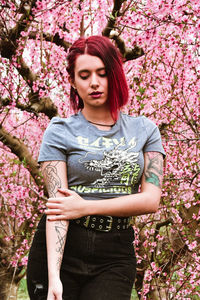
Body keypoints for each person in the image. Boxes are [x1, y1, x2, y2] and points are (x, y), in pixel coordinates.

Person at [27, 35, 165, 300]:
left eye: (102, 73)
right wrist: (53, 276)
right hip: (63, 249)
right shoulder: (59, 131)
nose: (94, 83)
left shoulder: (146, 131)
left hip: (115, 251)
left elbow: (151, 199)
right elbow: (60, 207)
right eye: (84, 75)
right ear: (72, 81)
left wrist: (86, 207)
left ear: (114, 75)